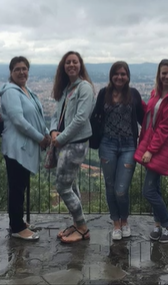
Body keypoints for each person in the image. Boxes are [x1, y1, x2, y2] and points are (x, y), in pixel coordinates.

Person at [91, 61, 145, 241]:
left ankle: (124, 220)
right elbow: (96, 117)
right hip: (108, 144)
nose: (120, 77)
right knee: (110, 185)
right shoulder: (103, 94)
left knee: (121, 189)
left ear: (128, 76)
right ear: (111, 75)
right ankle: (116, 223)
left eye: (123, 74)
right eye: (116, 74)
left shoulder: (134, 94)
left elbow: (145, 118)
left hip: (129, 145)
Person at [0, 56, 50, 241]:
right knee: (17, 188)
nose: (21, 72)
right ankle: (17, 227)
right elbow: (19, 121)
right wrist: (40, 138)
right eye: (17, 69)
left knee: (21, 186)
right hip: (16, 147)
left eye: (24, 69)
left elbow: (36, 118)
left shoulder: (26, 91)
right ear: (11, 72)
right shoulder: (11, 92)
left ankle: (17, 221)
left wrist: (46, 133)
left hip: (24, 146)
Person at [50, 51, 95, 244]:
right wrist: (53, 131)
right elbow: (56, 114)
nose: (71, 65)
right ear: (63, 66)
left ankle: (82, 227)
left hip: (75, 143)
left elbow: (80, 118)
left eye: (74, 62)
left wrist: (61, 139)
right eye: (68, 62)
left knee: (62, 186)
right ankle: (77, 224)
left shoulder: (84, 87)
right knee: (72, 184)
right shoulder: (67, 88)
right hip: (64, 141)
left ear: (80, 65)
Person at [137, 59, 168, 243]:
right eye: (164, 73)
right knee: (154, 187)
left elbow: (165, 126)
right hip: (152, 143)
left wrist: (150, 150)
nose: (167, 76)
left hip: (159, 147)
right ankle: (157, 225)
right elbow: (149, 114)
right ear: (159, 73)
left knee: (148, 191)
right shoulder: (156, 91)